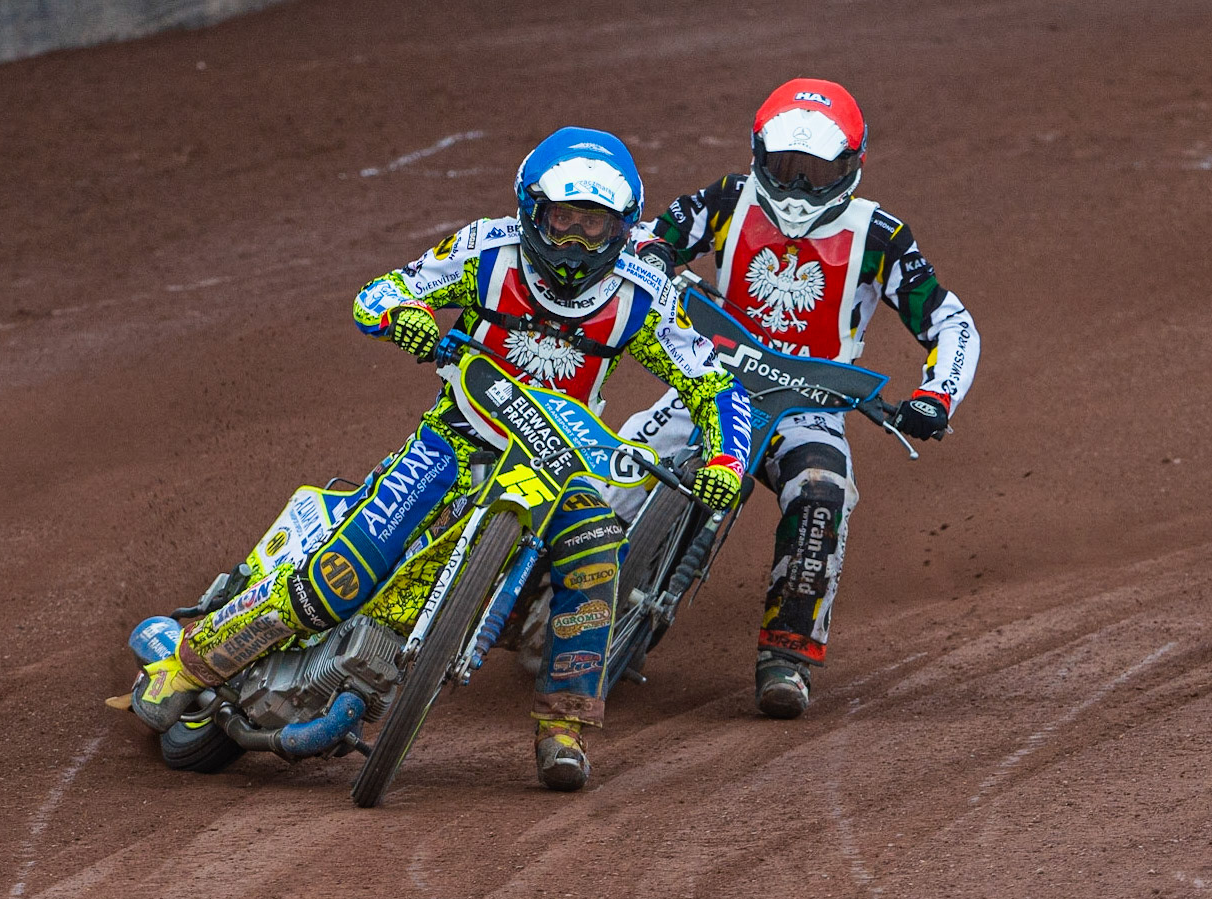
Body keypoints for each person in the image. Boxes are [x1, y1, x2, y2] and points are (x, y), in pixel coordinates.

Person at [126, 127, 754, 791]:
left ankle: (562, 727)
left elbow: (716, 385)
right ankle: (189, 666)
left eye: (592, 228)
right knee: (341, 573)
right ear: (530, 210)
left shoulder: (643, 296)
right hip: (456, 434)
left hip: (557, 462)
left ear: (622, 230)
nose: (572, 242)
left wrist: (725, 462)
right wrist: (403, 315)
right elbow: (379, 292)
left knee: (597, 550)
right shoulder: (486, 250)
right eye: (561, 221)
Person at [612, 78, 981, 720]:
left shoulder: (881, 236)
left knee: (821, 490)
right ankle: (528, 582)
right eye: (786, 170)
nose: (798, 190)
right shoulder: (729, 198)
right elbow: (648, 233)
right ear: (759, 155)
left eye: (816, 174)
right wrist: (658, 259)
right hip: (711, 380)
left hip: (807, 403)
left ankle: (787, 656)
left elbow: (951, 322)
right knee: (611, 470)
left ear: (851, 169)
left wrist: (935, 396)